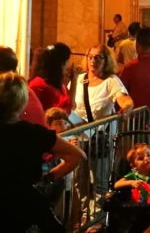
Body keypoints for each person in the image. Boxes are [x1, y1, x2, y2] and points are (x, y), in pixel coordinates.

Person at [0, 72, 86, 232]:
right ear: (21, 101)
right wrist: (49, 178)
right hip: (24, 202)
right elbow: (77, 155)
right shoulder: (33, 133)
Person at [74, 44, 134, 121]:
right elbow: (69, 103)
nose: (93, 61)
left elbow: (125, 100)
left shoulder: (111, 80)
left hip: (97, 130)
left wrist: (126, 108)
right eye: (90, 57)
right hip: (76, 129)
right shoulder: (79, 78)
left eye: (98, 57)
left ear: (106, 60)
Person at [28, 43, 73, 113]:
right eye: (67, 62)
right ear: (61, 64)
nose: (68, 66)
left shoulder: (60, 85)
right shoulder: (39, 85)